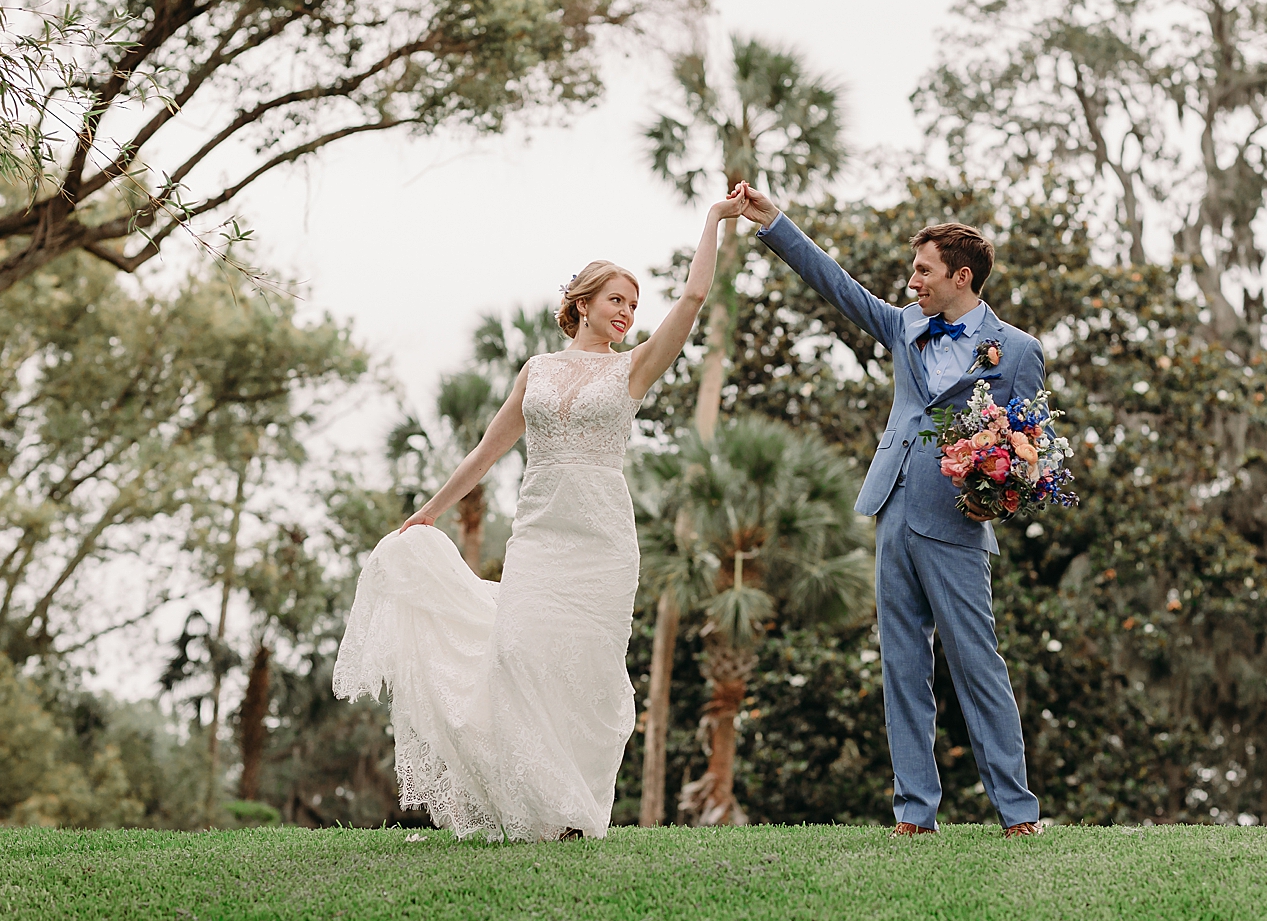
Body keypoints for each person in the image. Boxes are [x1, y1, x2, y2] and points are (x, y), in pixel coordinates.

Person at [334, 187, 749, 841]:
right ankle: (536, 803)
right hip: (539, 533)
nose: (628, 312)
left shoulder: (635, 368)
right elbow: (484, 452)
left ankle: (573, 817)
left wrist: (714, 222)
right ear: (582, 302)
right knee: (517, 655)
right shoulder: (538, 370)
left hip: (603, 539)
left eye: (635, 304)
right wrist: (429, 512)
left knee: (587, 675)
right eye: (616, 298)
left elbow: (693, 299)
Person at [737, 183, 1048, 838]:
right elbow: (840, 287)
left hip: (958, 522)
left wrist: (999, 488)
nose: (912, 282)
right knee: (901, 663)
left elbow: (1028, 443)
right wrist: (775, 223)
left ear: (961, 276)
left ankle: (1017, 811)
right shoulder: (904, 324)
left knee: (976, 661)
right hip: (892, 508)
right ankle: (914, 812)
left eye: (924, 271)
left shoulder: (1016, 350)